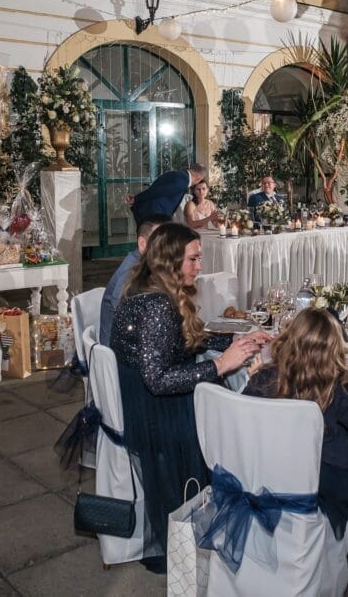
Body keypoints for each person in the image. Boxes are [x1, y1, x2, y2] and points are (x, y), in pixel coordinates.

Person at [110, 223, 270, 568]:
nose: (199, 266)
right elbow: (159, 379)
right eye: (193, 259)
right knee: (230, 409)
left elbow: (179, 344)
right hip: (156, 412)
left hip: (145, 400)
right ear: (170, 262)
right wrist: (222, 365)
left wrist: (231, 342)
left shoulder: (151, 288)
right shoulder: (156, 306)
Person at [243, 308, 348, 540]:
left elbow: (244, 411)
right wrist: (346, 381)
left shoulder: (265, 377)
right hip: (320, 479)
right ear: (332, 353)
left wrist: (254, 377)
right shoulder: (332, 390)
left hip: (271, 467)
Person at [100, 214, 170, 347]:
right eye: (161, 243)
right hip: (119, 356)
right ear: (142, 243)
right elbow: (123, 318)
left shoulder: (144, 264)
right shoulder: (131, 272)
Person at [130, 163, 205, 224]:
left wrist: (137, 198)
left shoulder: (177, 174)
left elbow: (156, 189)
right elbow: (157, 191)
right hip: (154, 215)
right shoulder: (182, 180)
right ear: (198, 177)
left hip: (152, 213)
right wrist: (136, 198)